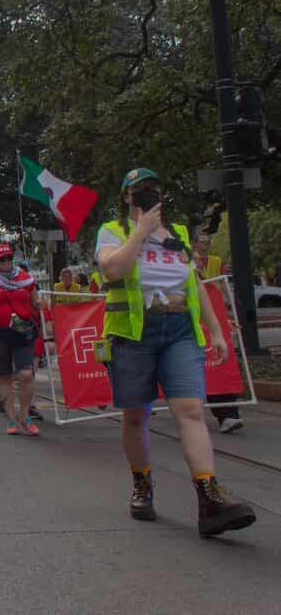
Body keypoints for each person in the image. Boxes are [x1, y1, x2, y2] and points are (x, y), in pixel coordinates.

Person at [96, 168, 254, 536]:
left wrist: (216, 330)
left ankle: (209, 497)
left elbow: (193, 284)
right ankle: (142, 485)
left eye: (153, 187)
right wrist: (141, 230)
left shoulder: (179, 234)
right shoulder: (112, 231)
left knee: (191, 410)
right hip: (132, 335)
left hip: (180, 330)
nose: (147, 193)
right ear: (127, 197)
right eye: (139, 189)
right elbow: (113, 269)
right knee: (135, 416)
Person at [0, 244, 41, 436]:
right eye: (1, 259)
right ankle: (11, 419)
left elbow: (35, 303)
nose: (6, 262)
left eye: (9, 258)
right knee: (5, 377)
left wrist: (39, 305)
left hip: (23, 331)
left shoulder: (26, 279)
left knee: (26, 374)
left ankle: (25, 415)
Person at [194, 232, 243, 433]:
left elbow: (215, 302)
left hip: (210, 335)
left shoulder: (211, 280)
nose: (198, 261)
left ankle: (228, 415)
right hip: (184, 337)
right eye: (202, 242)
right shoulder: (177, 286)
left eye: (208, 241)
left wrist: (226, 319)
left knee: (219, 369)